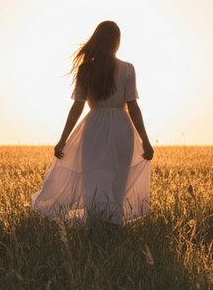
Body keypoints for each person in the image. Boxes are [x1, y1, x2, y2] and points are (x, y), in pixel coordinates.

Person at [31, 21, 154, 224]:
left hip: (93, 129)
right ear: (117, 42)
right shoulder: (127, 68)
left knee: (92, 182)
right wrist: (145, 141)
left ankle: (95, 229)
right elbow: (133, 108)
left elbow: (77, 108)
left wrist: (63, 140)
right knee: (118, 184)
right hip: (122, 130)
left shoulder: (86, 69)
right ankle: (113, 232)